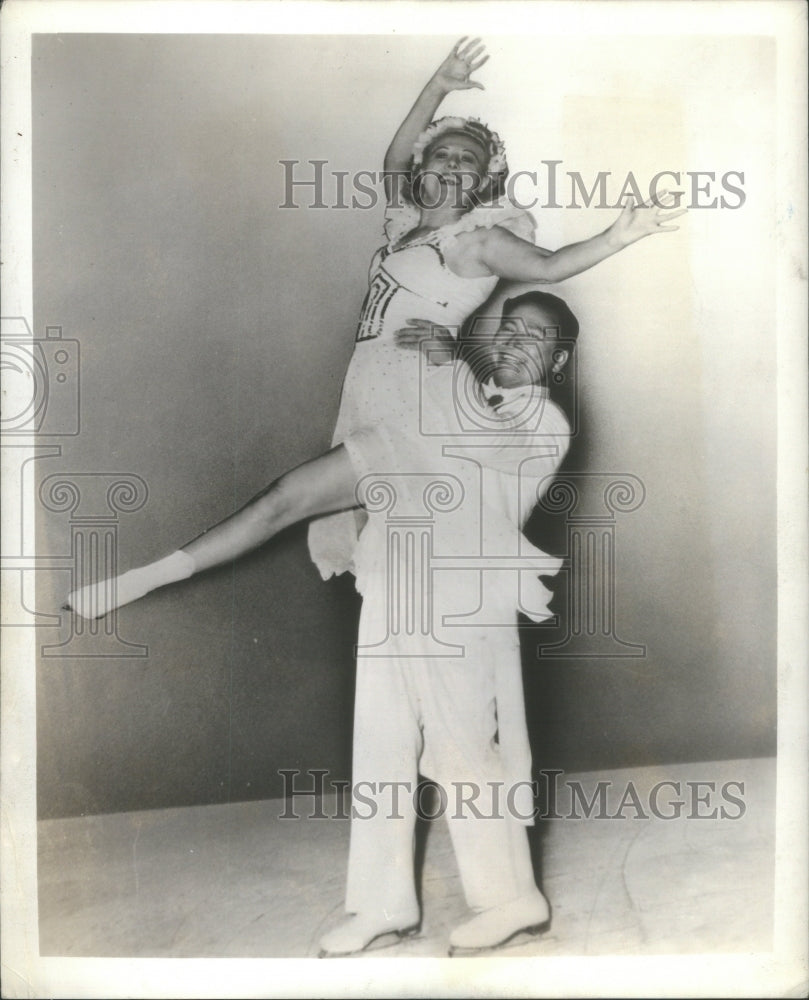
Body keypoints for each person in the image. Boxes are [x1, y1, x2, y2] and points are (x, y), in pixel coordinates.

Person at [65, 291, 580, 957]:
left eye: (534, 336)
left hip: (462, 599)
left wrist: (452, 362)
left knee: (464, 749)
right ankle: (383, 906)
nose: (512, 341)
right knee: (380, 743)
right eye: (507, 328)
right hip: (394, 582)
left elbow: (482, 441)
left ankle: (512, 900)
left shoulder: (544, 422)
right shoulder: (439, 404)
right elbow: (337, 470)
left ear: (559, 360)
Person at [307, 36, 685, 580]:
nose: (454, 163)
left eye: (469, 160)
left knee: (408, 520)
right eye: (443, 154)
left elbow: (551, 266)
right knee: (374, 534)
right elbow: (394, 158)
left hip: (417, 381)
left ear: (483, 180)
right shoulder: (403, 224)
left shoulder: (479, 241)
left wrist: (616, 237)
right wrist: (438, 86)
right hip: (368, 376)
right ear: (424, 167)